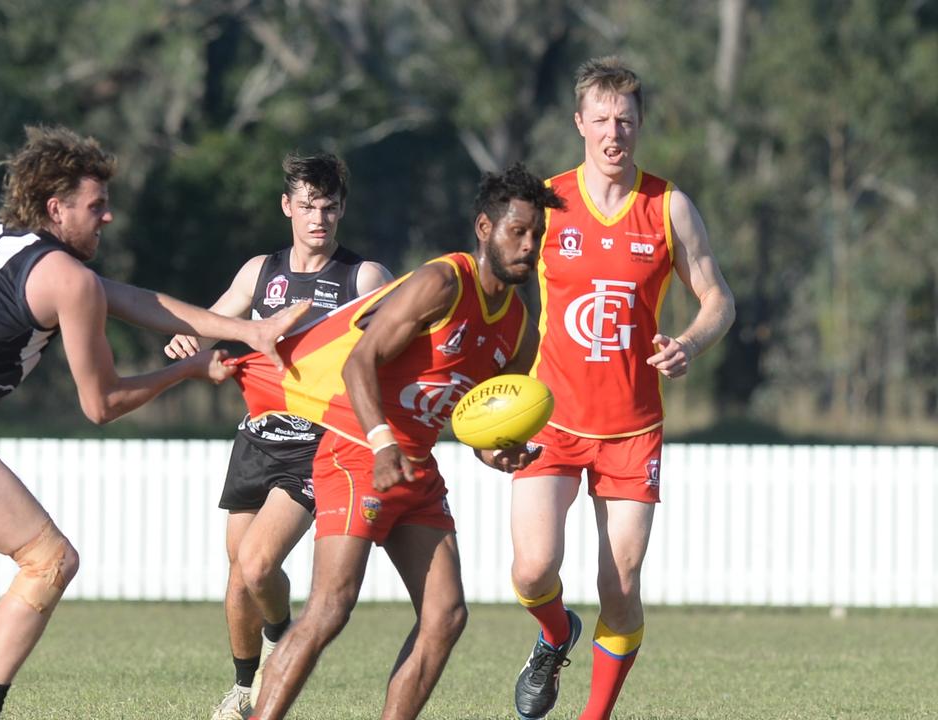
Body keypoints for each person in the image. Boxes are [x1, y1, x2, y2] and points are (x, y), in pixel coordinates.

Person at [0, 125, 308, 720]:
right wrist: (187, 373)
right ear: (56, 208)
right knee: (49, 558)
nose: (107, 217)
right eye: (96, 206)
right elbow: (100, 405)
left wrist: (247, 331)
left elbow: (136, 300)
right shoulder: (69, 279)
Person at [229, 162, 562, 720]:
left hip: (415, 466)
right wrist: (383, 441)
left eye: (537, 236)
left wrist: (497, 450)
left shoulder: (520, 327)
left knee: (446, 616)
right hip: (360, 450)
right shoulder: (441, 282)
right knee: (330, 608)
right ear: (485, 229)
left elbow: (470, 418)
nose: (529, 246)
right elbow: (361, 361)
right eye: (518, 232)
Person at [508, 57, 735, 720]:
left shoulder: (669, 206)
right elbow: (494, 286)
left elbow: (718, 297)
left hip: (633, 429)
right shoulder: (546, 205)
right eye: (602, 120)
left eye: (626, 122)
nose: (615, 134)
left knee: (621, 585)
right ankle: (554, 634)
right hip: (549, 418)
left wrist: (689, 341)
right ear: (580, 123)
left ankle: (593, 715)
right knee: (530, 570)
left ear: (640, 127)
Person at [164, 151, 391, 720]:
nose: (319, 218)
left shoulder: (363, 278)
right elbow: (213, 322)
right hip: (257, 436)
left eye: (330, 207)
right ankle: (247, 685)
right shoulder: (260, 272)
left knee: (257, 564)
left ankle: (278, 642)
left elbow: (398, 343)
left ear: (342, 211)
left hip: (318, 445)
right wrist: (186, 341)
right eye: (308, 206)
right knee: (239, 576)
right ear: (287, 207)